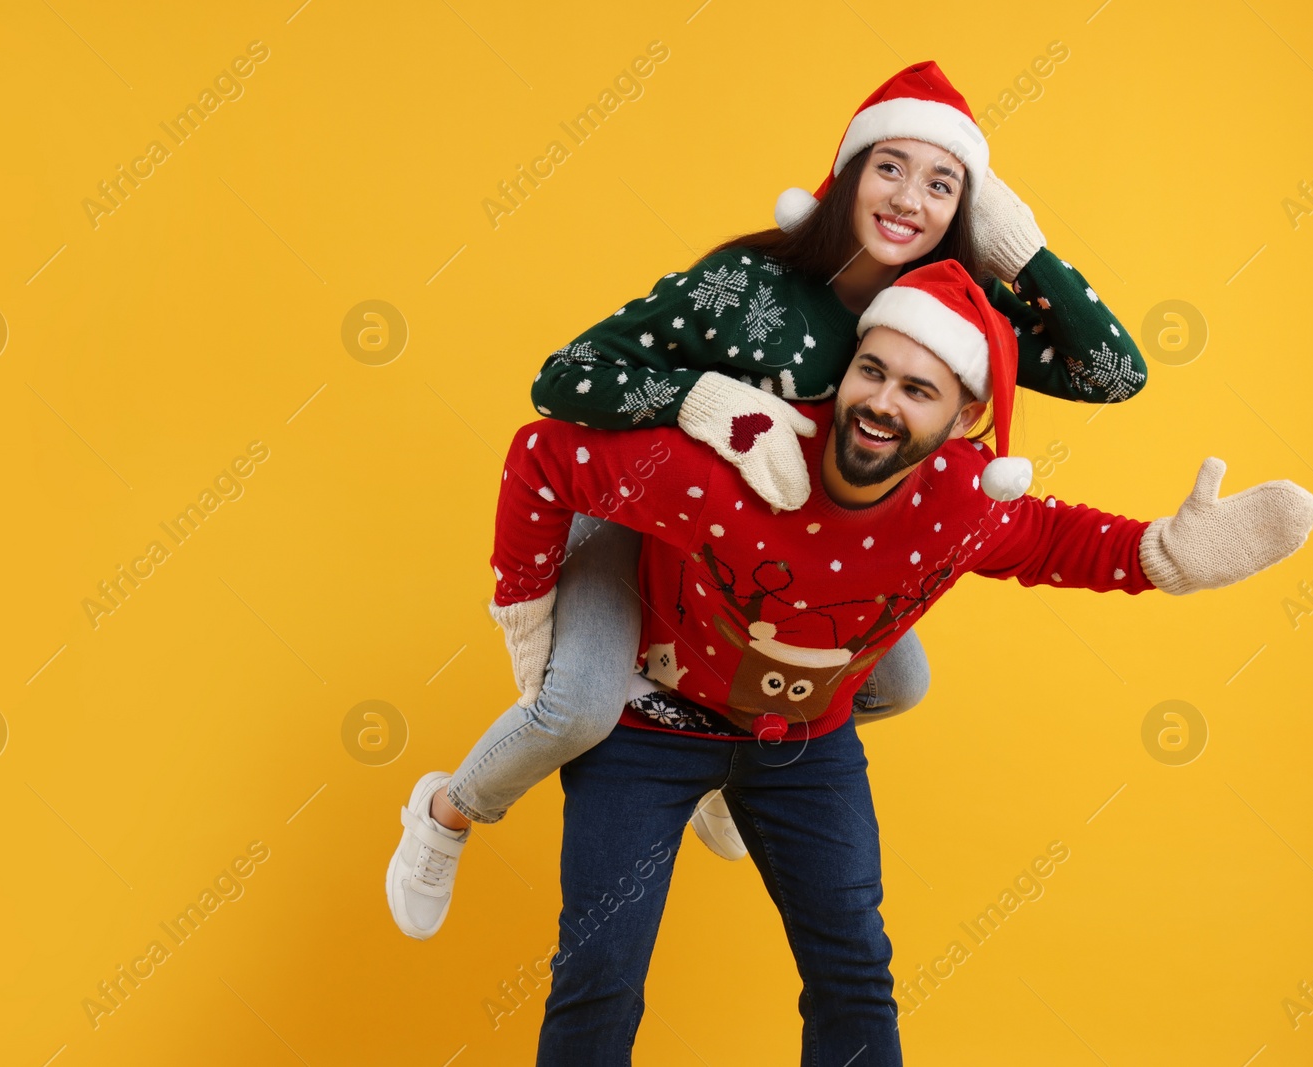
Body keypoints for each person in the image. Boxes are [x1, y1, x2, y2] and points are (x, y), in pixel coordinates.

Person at [449, 261, 1313, 1064]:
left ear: (960, 419)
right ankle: (451, 810)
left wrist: (1167, 554)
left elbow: (1056, 538)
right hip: (649, 727)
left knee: (855, 970)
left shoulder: (962, 500)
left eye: (917, 389)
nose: (882, 402)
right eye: (872, 371)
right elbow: (543, 457)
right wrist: (526, 607)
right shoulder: (724, 465)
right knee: (600, 978)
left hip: (800, 746)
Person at [387, 60, 1150, 940]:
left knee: (901, 682)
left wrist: (1027, 252)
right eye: (890, 167)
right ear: (848, 173)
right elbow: (563, 380)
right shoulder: (748, 285)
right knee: (581, 708)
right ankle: (447, 811)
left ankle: (723, 758)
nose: (910, 198)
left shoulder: (948, 312)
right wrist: (696, 401)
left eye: (943, 184)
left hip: (777, 572)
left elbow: (1113, 373)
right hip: (645, 521)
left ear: (966, 211)